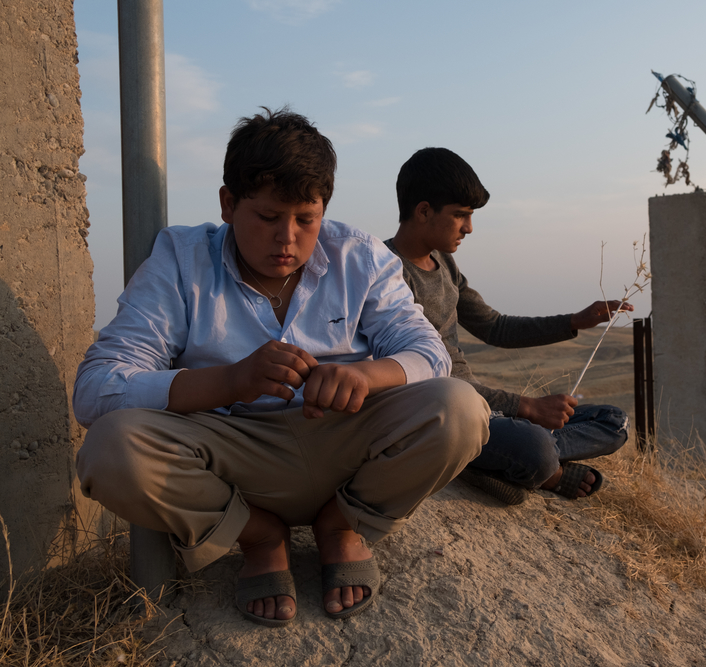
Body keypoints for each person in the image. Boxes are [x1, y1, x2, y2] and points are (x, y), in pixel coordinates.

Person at [72, 110, 489, 627]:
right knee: (110, 451)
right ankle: (259, 536)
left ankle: (342, 524)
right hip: (230, 450)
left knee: (461, 409)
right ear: (228, 204)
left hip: (343, 440)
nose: (286, 239)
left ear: (324, 210)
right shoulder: (181, 259)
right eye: (267, 218)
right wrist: (229, 381)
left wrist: (364, 376)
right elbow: (96, 389)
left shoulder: (357, 256)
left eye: (305, 219)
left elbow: (428, 352)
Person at [385, 147, 630, 506]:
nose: (469, 228)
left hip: (485, 408)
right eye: (460, 216)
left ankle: (486, 458)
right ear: (424, 211)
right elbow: (421, 377)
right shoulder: (386, 273)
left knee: (614, 422)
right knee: (536, 447)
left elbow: (495, 327)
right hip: (444, 412)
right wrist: (525, 408)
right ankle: (535, 466)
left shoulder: (445, 264)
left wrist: (575, 321)